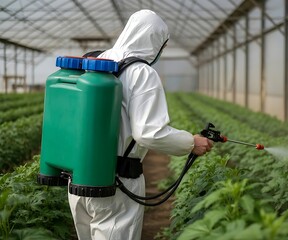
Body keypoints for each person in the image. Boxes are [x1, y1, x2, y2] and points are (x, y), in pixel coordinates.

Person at [68, 9, 213, 240]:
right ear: (155, 41)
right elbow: (149, 133)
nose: (161, 52)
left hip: (78, 177)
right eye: (162, 46)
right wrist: (191, 142)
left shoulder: (96, 62)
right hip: (117, 182)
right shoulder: (141, 72)